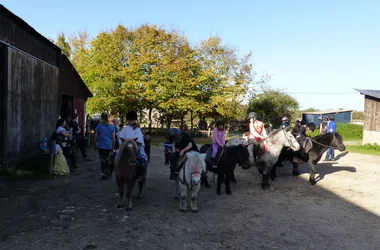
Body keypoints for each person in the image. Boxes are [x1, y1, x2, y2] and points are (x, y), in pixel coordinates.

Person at [118, 110, 149, 181]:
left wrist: (131, 146)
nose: (130, 122)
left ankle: (141, 174)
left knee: (141, 158)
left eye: (131, 120)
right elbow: (120, 140)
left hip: (135, 148)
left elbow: (138, 142)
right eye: (129, 120)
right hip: (124, 148)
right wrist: (122, 147)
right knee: (113, 155)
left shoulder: (137, 129)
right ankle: (109, 170)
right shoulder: (124, 129)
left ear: (135, 120)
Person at [94, 112, 116, 180]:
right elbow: (113, 138)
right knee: (109, 160)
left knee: (103, 160)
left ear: (101, 118)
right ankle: (109, 173)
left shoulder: (99, 126)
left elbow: (96, 136)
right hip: (109, 146)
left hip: (101, 146)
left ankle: (104, 174)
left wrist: (95, 143)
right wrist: (113, 146)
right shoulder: (111, 126)